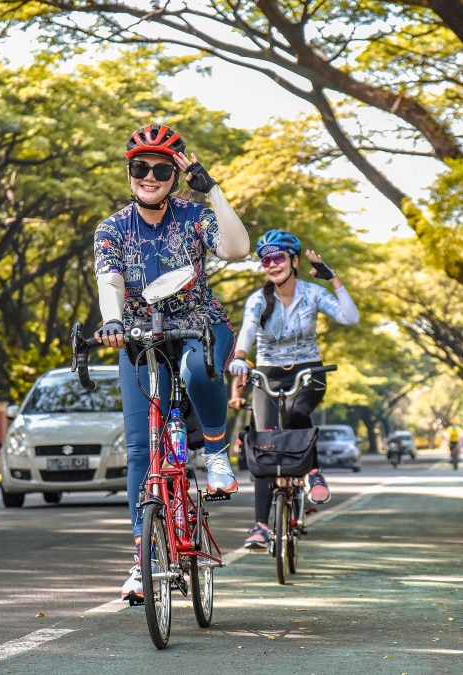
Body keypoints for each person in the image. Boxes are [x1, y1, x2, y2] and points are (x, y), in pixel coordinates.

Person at [92, 123, 250, 599]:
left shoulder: (194, 216)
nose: (150, 176)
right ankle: (144, 559)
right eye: (141, 167)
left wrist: (213, 188)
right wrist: (113, 321)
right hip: (141, 336)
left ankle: (218, 453)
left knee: (194, 370)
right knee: (141, 451)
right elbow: (110, 280)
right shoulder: (112, 228)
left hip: (200, 325)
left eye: (162, 169)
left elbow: (238, 248)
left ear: (175, 176)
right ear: (129, 172)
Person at [228, 229, 360, 550]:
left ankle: (313, 472)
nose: (272, 265)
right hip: (269, 373)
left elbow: (350, 317)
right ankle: (260, 525)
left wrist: (334, 280)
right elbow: (246, 330)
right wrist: (242, 360)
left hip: (309, 370)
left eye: (279, 258)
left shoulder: (312, 293)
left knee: (300, 412)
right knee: (264, 444)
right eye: (266, 260)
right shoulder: (259, 300)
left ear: (294, 260)